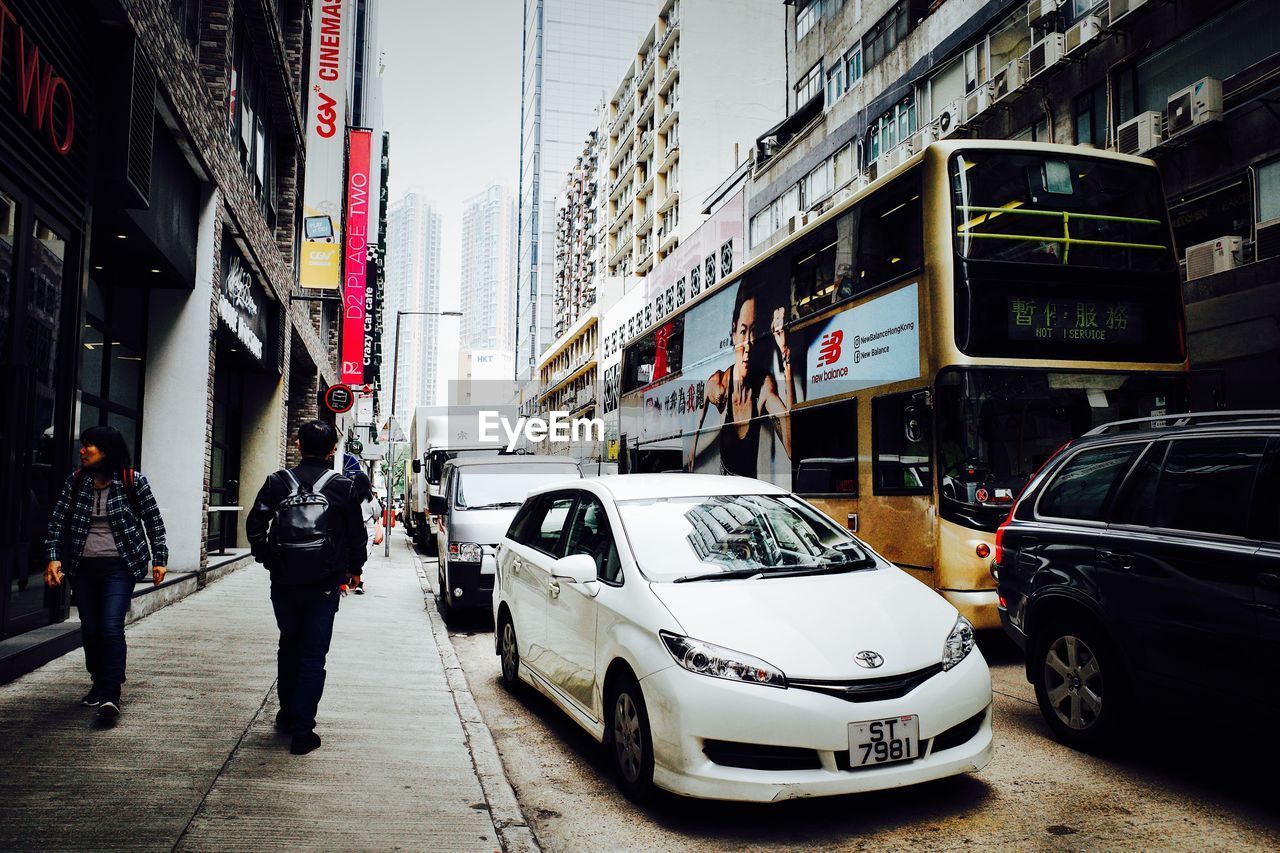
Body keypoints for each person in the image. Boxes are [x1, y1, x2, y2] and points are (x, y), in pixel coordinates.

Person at [246, 419, 366, 755]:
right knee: (313, 654)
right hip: (325, 583)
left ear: (298, 445)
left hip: (284, 581)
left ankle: (286, 715)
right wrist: (354, 569)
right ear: (331, 450)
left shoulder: (277, 481)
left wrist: (268, 557)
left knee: (289, 645)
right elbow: (356, 534)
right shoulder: (342, 485)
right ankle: (303, 730)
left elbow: (255, 525)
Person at [44, 425, 168, 720]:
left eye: (90, 446)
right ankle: (99, 681)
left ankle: (110, 692)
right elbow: (57, 523)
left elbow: (154, 521)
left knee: (111, 626)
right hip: (83, 566)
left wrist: (159, 559)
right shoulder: (75, 482)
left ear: (107, 451)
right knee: (91, 628)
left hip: (119, 566)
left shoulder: (132, 482)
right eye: (83, 445)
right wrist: (53, 558)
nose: (83, 450)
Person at [687, 282, 794, 478]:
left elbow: (791, 449)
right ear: (734, 333)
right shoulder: (718, 385)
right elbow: (699, 416)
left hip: (749, 499)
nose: (749, 344)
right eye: (744, 332)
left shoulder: (764, 386)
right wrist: (692, 450)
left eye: (754, 332)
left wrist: (786, 357)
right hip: (724, 498)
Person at [348, 471, 384, 594]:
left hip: (351, 529)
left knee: (350, 553)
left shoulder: (350, 495)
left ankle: (351, 578)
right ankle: (359, 582)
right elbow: (377, 513)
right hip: (367, 528)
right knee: (364, 555)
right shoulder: (370, 498)